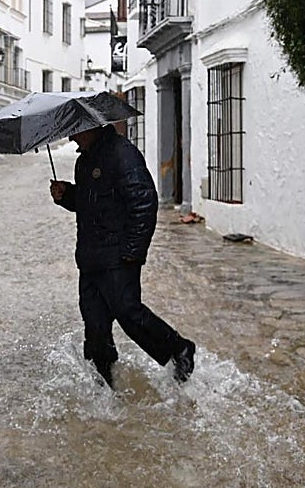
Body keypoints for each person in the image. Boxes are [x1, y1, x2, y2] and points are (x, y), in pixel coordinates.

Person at [49, 123, 196, 389]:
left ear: (89, 128)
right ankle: (103, 385)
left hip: (118, 257)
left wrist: (133, 251)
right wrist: (67, 195)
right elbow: (88, 203)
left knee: (129, 314)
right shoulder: (83, 163)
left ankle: (179, 349)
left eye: (75, 131)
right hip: (90, 259)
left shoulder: (122, 153)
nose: (71, 138)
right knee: (94, 326)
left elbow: (144, 201)